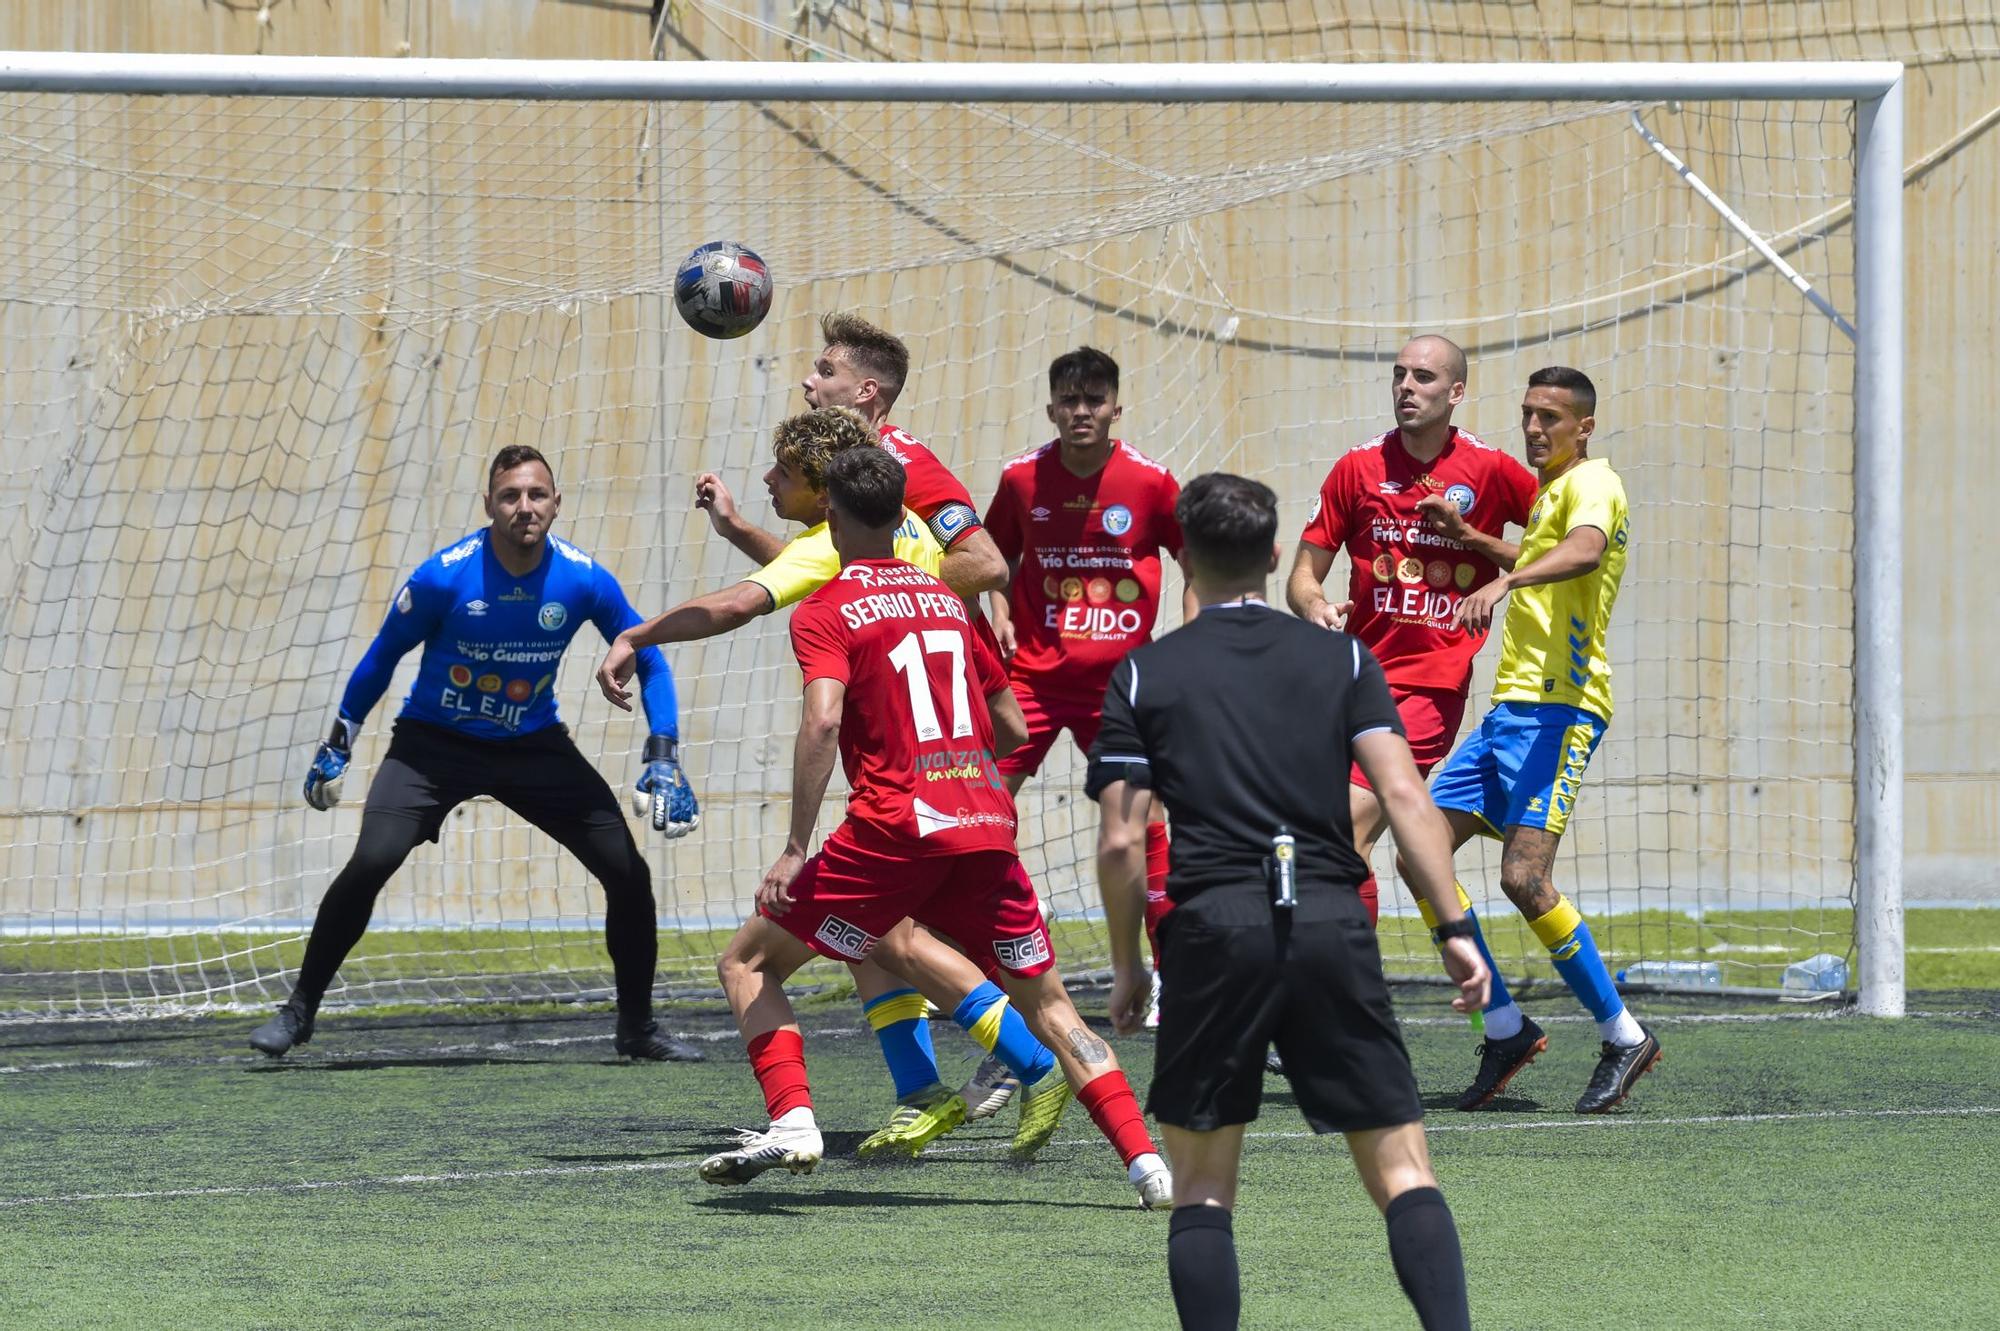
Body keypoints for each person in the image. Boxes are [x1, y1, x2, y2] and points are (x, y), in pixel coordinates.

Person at [696, 445, 1173, 1209]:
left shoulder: (827, 607)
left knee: (748, 962)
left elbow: (822, 721)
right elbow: (1012, 726)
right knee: (1049, 1005)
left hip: (892, 830)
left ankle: (792, 1121)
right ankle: (1148, 1168)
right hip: (984, 824)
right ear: (905, 515)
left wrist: (795, 845)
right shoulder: (947, 600)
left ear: (834, 515)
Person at [596, 405, 1062, 1158]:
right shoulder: (899, 522)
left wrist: (638, 634)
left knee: (761, 957)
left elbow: (740, 603)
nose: (770, 477)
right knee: (878, 936)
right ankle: (926, 1088)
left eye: (784, 471)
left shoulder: (833, 550)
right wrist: (742, 529)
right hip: (963, 775)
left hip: (896, 793)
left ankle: (1027, 1065)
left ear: (825, 496)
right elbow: (825, 563)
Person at [1090, 472, 1487, 1330]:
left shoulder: (1144, 674)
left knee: (1200, 1188)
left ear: (1184, 558)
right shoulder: (1343, 656)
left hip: (1210, 930)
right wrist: (1454, 926)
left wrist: (1130, 966)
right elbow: (1407, 798)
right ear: (1275, 555)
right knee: (1404, 1172)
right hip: (1331, 921)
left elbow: (1122, 842)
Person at [250, 445, 702, 1062]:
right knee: (371, 861)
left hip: (532, 746)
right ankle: (299, 1009)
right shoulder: (443, 575)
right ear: (488, 505)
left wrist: (664, 751)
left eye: (536, 495)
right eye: (510, 496)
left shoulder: (583, 577)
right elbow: (383, 656)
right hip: (432, 748)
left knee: (629, 875)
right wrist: (340, 739)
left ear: (556, 504)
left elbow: (648, 653)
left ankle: (638, 1029)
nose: (524, 507)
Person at [1426, 365, 1661, 1114]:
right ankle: (1503, 1025)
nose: (1534, 428)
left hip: (1561, 709)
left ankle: (1623, 1033)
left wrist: (1501, 582)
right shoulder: (1551, 492)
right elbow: (1544, 556)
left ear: (1583, 426)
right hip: (1510, 712)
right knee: (1421, 852)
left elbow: (1585, 551)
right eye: (1528, 414)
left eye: (1550, 418)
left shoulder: (1595, 482)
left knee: (1524, 879)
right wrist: (1475, 541)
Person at [1285, 335, 1538, 928]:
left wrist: (1493, 571)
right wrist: (1315, 605)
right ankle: (1486, 1016)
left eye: (1423, 378)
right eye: (1399, 375)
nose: (1406, 387)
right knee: (1326, 841)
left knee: (1346, 831)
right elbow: (1303, 572)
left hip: (1428, 686)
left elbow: (1561, 547)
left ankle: (1345, 994)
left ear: (1456, 393)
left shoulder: (1493, 470)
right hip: (1351, 681)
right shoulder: (1357, 468)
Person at [982, 346, 1193, 1040]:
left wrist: (1191, 644)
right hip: (1033, 682)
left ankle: (1170, 974)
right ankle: (981, 965)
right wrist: (1001, 611)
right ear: (1051, 409)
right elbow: (989, 559)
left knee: (1140, 824)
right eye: (1069, 401)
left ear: (1115, 408)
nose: (1082, 412)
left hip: (1120, 687)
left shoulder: (1153, 483)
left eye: (1094, 400)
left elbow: (1199, 564)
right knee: (976, 809)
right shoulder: (1020, 480)